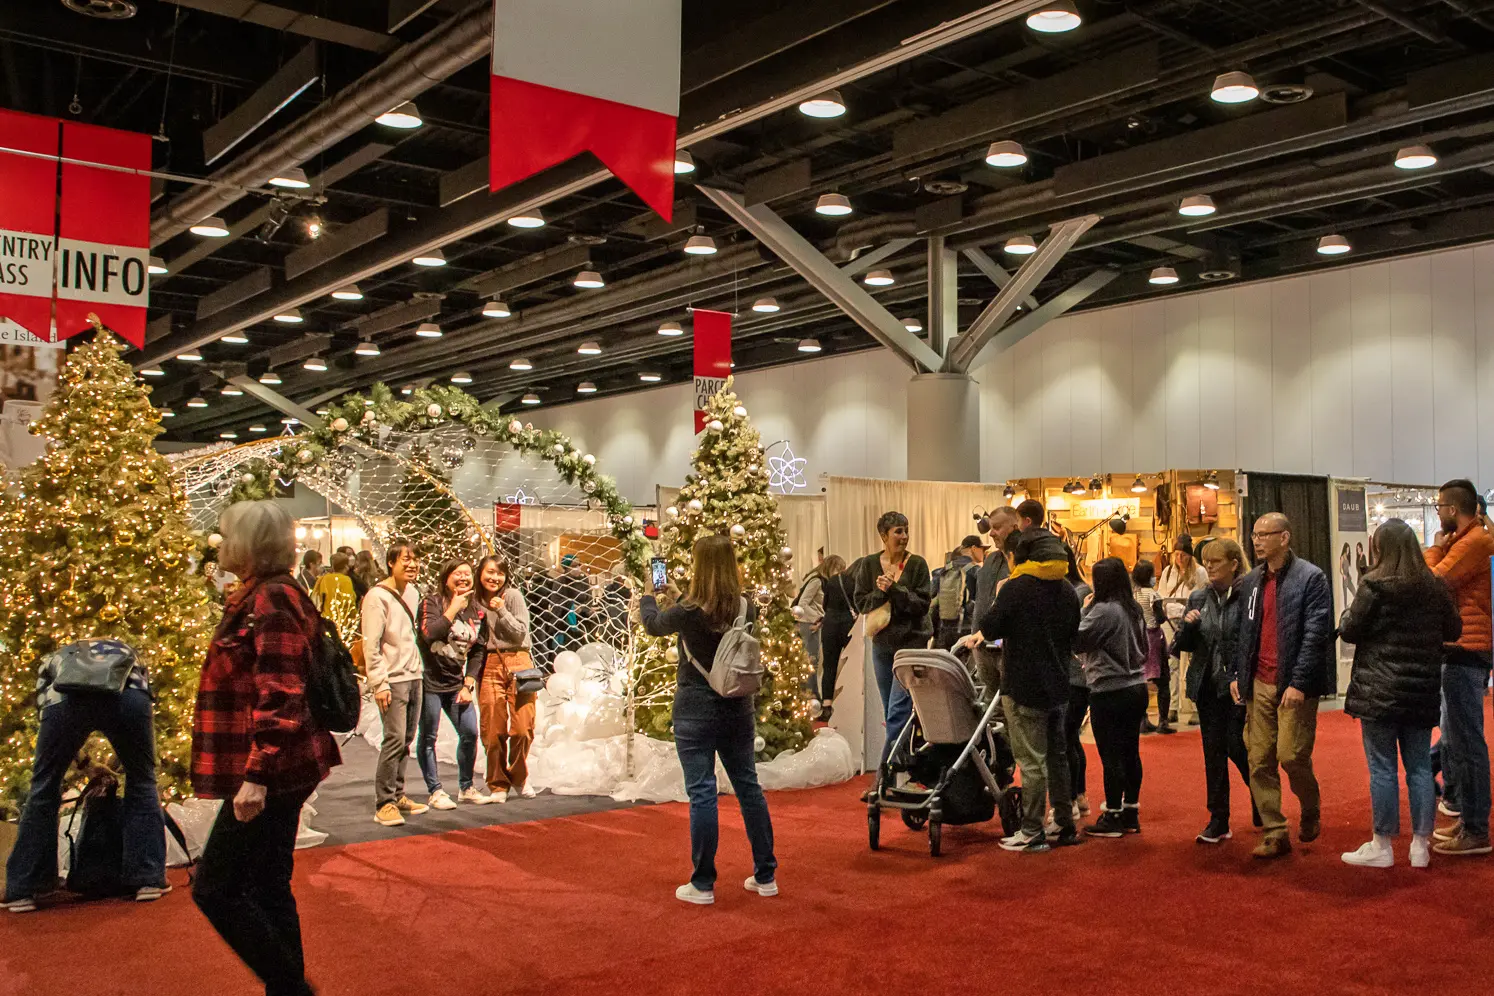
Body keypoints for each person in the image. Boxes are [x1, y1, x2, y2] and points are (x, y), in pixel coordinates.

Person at [190, 501, 340, 996]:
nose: (218, 543)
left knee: (216, 888)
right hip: (279, 765)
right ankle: (289, 988)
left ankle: (292, 988)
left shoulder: (271, 598)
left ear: (249, 543)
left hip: (273, 769)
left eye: (226, 534)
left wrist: (256, 775)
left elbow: (281, 692)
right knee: (268, 883)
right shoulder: (263, 594)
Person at [640, 534, 777, 905]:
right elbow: (715, 614)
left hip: (695, 709)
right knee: (748, 788)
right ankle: (766, 875)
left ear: (699, 566)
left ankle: (703, 884)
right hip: (737, 708)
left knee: (702, 792)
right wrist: (679, 595)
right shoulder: (746, 607)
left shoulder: (688, 612)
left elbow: (653, 624)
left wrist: (649, 595)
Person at [4, 640, 169, 913]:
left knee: (45, 785)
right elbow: (143, 697)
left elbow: (48, 712)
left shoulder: (53, 661)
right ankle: (147, 879)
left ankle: (25, 888)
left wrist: (84, 763)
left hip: (64, 700)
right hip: (129, 696)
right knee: (142, 779)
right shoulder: (126, 651)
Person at [960, 500, 1081, 852]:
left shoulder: (1016, 587)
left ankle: (1031, 830)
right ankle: (1064, 822)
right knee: (1058, 756)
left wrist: (1001, 595)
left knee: (1031, 761)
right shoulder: (1067, 590)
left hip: (1024, 684)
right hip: (1058, 683)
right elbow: (1073, 634)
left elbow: (990, 625)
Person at [1339, 519, 1461, 868]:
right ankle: (1420, 846)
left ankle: (1382, 844)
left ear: (1379, 547)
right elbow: (1454, 629)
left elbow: (1349, 629)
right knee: (1419, 766)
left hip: (1378, 689)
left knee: (1382, 768)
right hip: (1421, 689)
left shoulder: (1374, 585)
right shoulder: (1434, 585)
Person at [1233, 512, 1334, 859]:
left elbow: (1316, 634)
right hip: (1258, 682)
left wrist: (1299, 683)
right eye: (1254, 535)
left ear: (1285, 537)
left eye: (1265, 534)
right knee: (1258, 760)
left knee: (1291, 756)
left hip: (1293, 684)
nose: (1257, 541)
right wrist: (1237, 676)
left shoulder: (1311, 577)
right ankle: (1275, 831)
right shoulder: (1251, 581)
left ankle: (1310, 806)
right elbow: (1241, 633)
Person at [1174, 538, 1260, 844]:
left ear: (1234, 564)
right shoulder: (1198, 597)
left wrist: (1241, 676)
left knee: (1237, 747)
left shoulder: (1249, 596)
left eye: (1216, 561)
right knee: (1213, 754)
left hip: (1237, 686)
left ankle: (1261, 799)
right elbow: (1181, 646)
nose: (1209, 567)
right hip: (1207, 687)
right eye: (1206, 562)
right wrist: (1187, 627)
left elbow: (1250, 642)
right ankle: (1218, 819)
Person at [1425, 479, 1494, 856]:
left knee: (1467, 744)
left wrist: (1436, 545)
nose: (1437, 512)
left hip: (1467, 649)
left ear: (1452, 510)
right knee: (1457, 741)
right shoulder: (1468, 540)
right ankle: (1469, 817)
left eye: (1439, 507)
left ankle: (1476, 828)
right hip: (1460, 648)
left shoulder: (1473, 542)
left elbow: (1434, 581)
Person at [1073, 557, 1148, 837]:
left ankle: (1113, 814)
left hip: (1109, 689)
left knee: (1111, 755)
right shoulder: (1133, 609)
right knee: (1130, 752)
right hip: (1136, 686)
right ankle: (1130, 812)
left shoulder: (1104, 610)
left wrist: (1084, 609)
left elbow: (1077, 639)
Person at [851, 511, 933, 769]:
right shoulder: (869, 564)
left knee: (898, 711)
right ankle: (905, 765)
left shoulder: (917, 564)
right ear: (883, 535)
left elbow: (922, 605)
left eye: (906, 530)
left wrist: (895, 589)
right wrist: (881, 591)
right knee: (890, 710)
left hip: (911, 645)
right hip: (882, 645)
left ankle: (884, 773)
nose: (904, 536)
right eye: (898, 531)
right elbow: (861, 603)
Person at [361, 539, 430, 827]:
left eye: (415, 560)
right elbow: (371, 643)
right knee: (394, 739)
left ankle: (398, 794)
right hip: (393, 678)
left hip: (414, 675)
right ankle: (384, 802)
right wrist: (379, 682)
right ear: (391, 563)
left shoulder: (412, 593)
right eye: (406, 559)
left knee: (407, 739)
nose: (412, 565)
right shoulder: (377, 597)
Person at [417, 560, 490, 809]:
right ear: (446, 578)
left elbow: (478, 649)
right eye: (457, 573)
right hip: (428, 682)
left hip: (456, 683)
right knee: (429, 736)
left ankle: (466, 787)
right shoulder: (431, 603)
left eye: (467, 574)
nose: (463, 578)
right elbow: (430, 633)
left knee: (469, 732)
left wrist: (469, 682)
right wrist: (453, 609)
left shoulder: (477, 611)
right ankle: (435, 790)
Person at [473, 555, 537, 801]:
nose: (494, 578)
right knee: (492, 730)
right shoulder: (475, 601)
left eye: (499, 573)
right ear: (480, 573)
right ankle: (498, 783)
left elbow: (520, 632)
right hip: (490, 664)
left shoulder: (512, 596)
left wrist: (501, 610)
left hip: (520, 661)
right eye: (490, 572)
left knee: (523, 728)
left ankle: (519, 776)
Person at [1160, 534, 1207, 726]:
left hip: (1191, 621)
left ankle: (1195, 707)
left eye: (1183, 554)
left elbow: (1203, 596)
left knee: (1192, 663)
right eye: (1177, 554)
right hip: (1170, 620)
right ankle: (1172, 707)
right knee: (1172, 664)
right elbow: (1162, 595)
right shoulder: (1168, 572)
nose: (1179, 558)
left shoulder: (1200, 572)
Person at [1063, 557, 1093, 821]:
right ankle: (1079, 796)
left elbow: (1076, 634)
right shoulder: (1071, 590)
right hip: (1068, 675)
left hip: (1076, 676)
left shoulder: (1080, 592)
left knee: (1066, 737)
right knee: (1070, 738)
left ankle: (1072, 798)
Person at [814, 555, 855, 724]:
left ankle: (827, 706)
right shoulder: (852, 581)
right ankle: (851, 702)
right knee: (852, 663)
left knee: (829, 666)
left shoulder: (830, 582)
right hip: (848, 624)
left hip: (830, 624)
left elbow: (825, 605)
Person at [1132, 561, 1172, 734]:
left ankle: (1142, 720)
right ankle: (1163, 721)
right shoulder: (1153, 595)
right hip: (1154, 637)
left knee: (1141, 680)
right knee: (1163, 680)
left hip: (1138, 638)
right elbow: (1160, 617)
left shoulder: (1133, 595)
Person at [930, 537, 981, 651]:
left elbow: (932, 598)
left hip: (943, 628)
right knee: (963, 662)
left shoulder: (942, 571)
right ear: (973, 549)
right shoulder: (976, 571)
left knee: (943, 662)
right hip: (967, 630)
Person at [792, 561, 826, 675]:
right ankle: (810, 686)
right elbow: (803, 603)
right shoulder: (817, 581)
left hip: (812, 622)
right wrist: (818, 617)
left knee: (811, 660)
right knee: (811, 660)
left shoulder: (821, 582)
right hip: (809, 623)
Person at [310, 551, 356, 617]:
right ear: (346, 566)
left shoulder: (323, 579)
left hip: (325, 619)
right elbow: (349, 603)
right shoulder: (346, 580)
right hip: (341, 619)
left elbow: (315, 597)